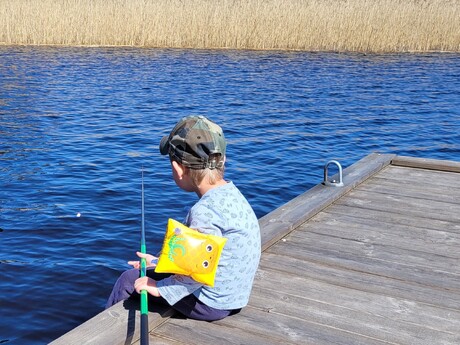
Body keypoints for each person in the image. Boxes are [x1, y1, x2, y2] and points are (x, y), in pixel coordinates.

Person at [106, 115, 261, 321]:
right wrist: (158, 262)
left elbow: (196, 273)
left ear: (179, 169)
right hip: (233, 295)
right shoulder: (232, 195)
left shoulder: (205, 212)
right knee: (146, 272)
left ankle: (102, 326)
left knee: (128, 280)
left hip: (210, 302)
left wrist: (159, 287)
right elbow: (203, 257)